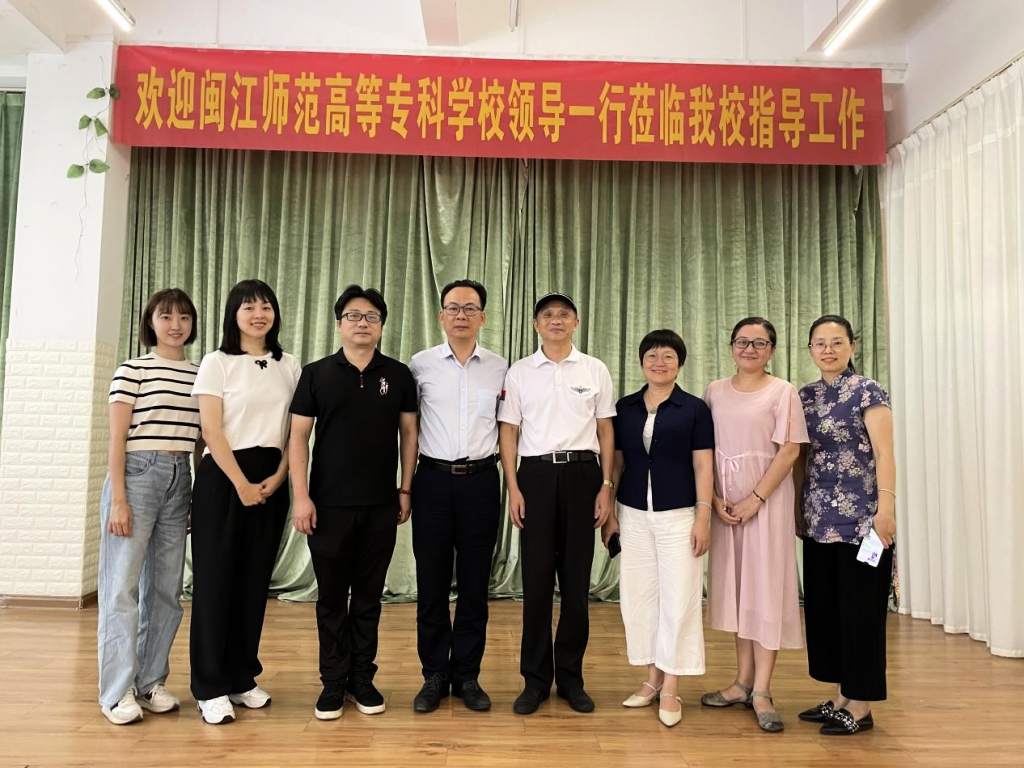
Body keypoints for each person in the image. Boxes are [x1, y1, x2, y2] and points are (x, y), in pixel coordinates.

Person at [289, 285, 418, 721]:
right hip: (327, 507)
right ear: (339, 323)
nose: (362, 323)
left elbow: (409, 434)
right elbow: (298, 438)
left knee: (368, 598)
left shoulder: (398, 375)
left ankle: (362, 677)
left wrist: (405, 489)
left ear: (381, 325)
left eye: (371, 316)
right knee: (330, 598)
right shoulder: (316, 374)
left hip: (381, 505)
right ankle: (332, 681)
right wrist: (301, 497)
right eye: (353, 315)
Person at [498, 292, 616, 715]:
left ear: (576, 322)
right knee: (536, 584)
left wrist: (606, 486)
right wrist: (514, 488)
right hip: (536, 476)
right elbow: (508, 432)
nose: (556, 320)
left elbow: (606, 430)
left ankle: (570, 679)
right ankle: (534, 681)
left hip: (583, 476)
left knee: (576, 585)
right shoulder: (520, 372)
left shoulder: (594, 369)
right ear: (536, 324)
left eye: (564, 314)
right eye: (547, 315)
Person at [189, 279, 301, 725]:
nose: (259, 314)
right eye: (249, 306)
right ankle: (209, 686)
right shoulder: (217, 363)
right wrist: (240, 483)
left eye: (266, 306)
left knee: (254, 583)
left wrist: (280, 476)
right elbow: (211, 430)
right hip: (223, 477)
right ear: (233, 314)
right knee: (216, 583)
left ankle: (241, 676)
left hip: (272, 477)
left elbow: (296, 430)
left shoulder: (289, 365)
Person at [97, 288, 201, 725]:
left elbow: (201, 439)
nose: (175, 325)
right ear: (150, 322)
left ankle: (151, 680)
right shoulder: (132, 369)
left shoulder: (200, 373)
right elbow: (117, 439)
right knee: (122, 588)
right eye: (166, 316)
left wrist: (196, 494)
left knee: (166, 590)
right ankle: (116, 691)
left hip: (180, 478)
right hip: (137, 475)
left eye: (184, 317)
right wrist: (119, 500)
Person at [601, 330, 714, 728]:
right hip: (633, 513)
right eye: (652, 355)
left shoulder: (694, 409)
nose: (659, 362)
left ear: (679, 363)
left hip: (679, 515)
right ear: (641, 362)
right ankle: (652, 679)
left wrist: (703, 517)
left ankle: (671, 687)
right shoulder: (626, 407)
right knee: (640, 598)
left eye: (668, 356)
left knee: (679, 599)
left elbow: (703, 465)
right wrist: (610, 511)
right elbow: (616, 462)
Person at [700, 316, 808, 733]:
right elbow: (703, 450)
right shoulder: (714, 391)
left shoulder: (782, 392)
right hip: (726, 507)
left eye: (759, 343)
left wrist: (755, 499)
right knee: (739, 591)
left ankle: (762, 689)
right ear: (731, 347)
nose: (749, 349)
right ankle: (742, 682)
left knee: (765, 592)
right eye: (742, 342)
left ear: (771, 350)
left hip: (766, 503)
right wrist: (714, 499)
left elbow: (789, 452)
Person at [408, 280, 508, 713]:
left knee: (474, 583)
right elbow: (408, 429)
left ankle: (467, 674)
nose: (461, 315)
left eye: (470, 308)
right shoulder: (419, 365)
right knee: (431, 582)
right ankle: (434, 674)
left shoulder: (500, 367)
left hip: (481, 482)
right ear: (441, 316)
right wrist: (404, 486)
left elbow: (509, 429)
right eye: (453, 308)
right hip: (432, 480)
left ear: (483, 316)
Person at [796, 314, 896, 736]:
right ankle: (841, 695)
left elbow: (885, 453)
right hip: (819, 520)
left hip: (863, 522)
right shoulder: (805, 396)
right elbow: (801, 456)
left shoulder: (868, 391)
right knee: (827, 610)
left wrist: (886, 509)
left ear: (852, 346)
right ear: (810, 350)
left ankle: (862, 705)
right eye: (820, 343)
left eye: (837, 342)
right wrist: (798, 510)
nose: (828, 350)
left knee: (861, 612)